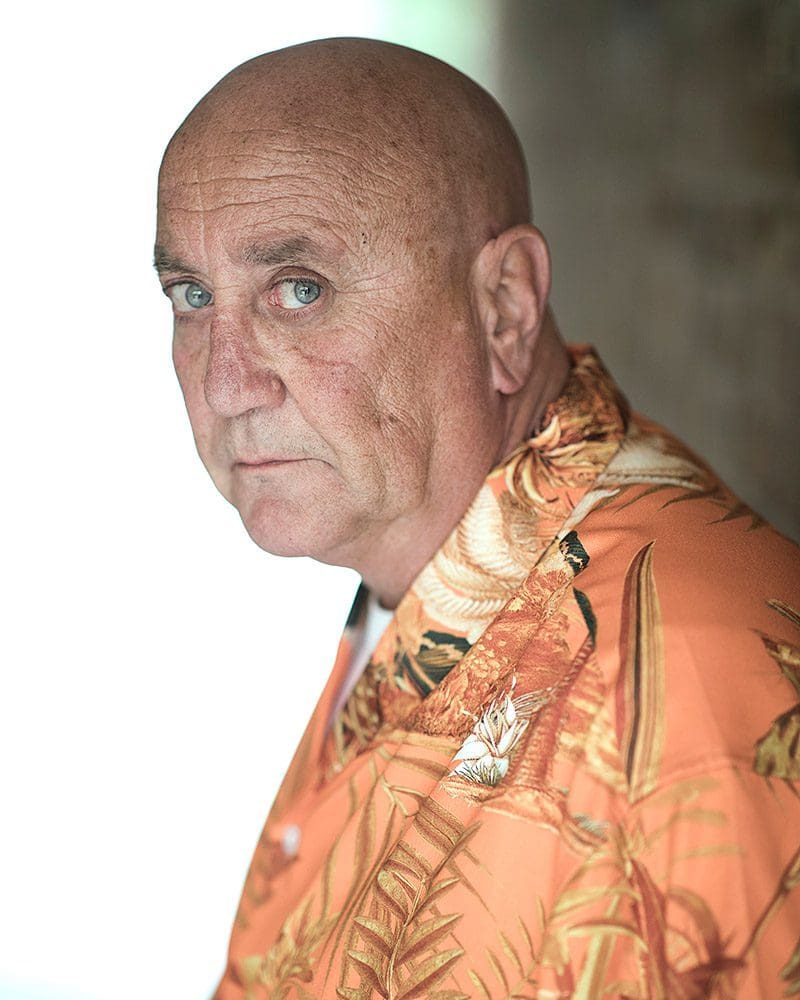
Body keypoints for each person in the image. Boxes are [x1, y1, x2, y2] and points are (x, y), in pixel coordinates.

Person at [155, 37, 800, 1000]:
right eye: (192, 296)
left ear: (504, 308)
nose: (226, 383)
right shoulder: (419, 587)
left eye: (300, 289)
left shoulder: (692, 675)